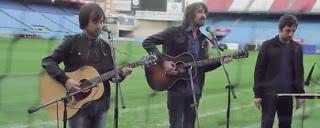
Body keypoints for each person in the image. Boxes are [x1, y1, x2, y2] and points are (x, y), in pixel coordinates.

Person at [41, 3, 132, 128]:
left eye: (101, 22)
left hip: (101, 106)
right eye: (95, 22)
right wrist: (66, 80)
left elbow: (112, 76)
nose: (99, 26)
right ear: (84, 23)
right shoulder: (71, 42)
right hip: (77, 105)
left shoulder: (107, 46)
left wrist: (122, 74)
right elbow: (48, 61)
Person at [142, 2, 232, 128]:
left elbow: (202, 67)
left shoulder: (203, 39)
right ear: (190, 14)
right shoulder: (173, 32)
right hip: (176, 87)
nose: (204, 15)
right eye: (200, 12)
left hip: (195, 89)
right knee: (176, 125)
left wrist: (220, 61)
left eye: (205, 13)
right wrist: (163, 62)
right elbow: (147, 42)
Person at [253, 15, 305, 128]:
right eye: (287, 30)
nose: (291, 34)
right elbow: (259, 70)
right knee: (266, 125)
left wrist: (300, 94)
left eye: (293, 31)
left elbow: (299, 73)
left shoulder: (297, 48)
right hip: (268, 95)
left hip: (287, 94)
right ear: (280, 29)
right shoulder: (267, 45)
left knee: (286, 125)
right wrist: (257, 94)